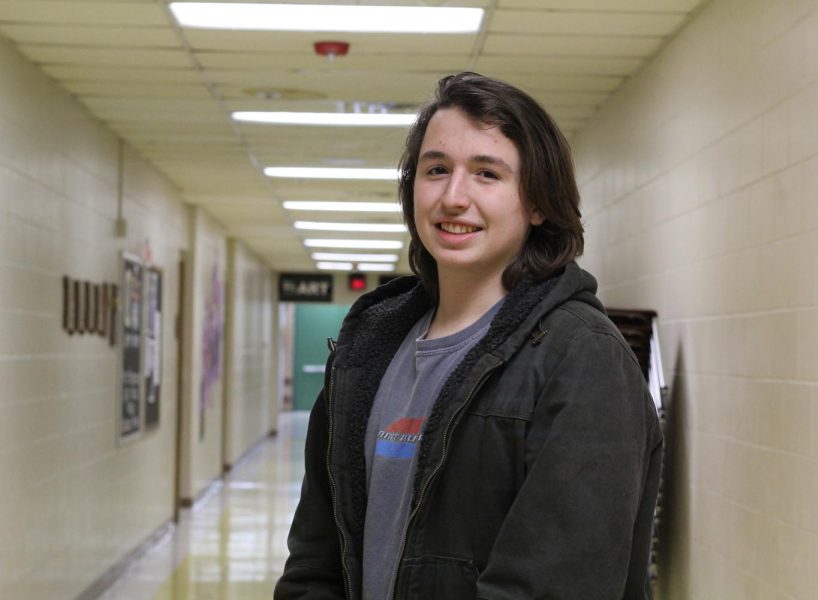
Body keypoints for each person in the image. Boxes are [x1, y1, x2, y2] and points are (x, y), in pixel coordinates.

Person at [274, 72, 663, 600]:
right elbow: (316, 563)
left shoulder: (581, 358)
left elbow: (555, 584)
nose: (454, 197)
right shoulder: (368, 352)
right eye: (436, 169)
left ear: (537, 203)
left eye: (487, 174)